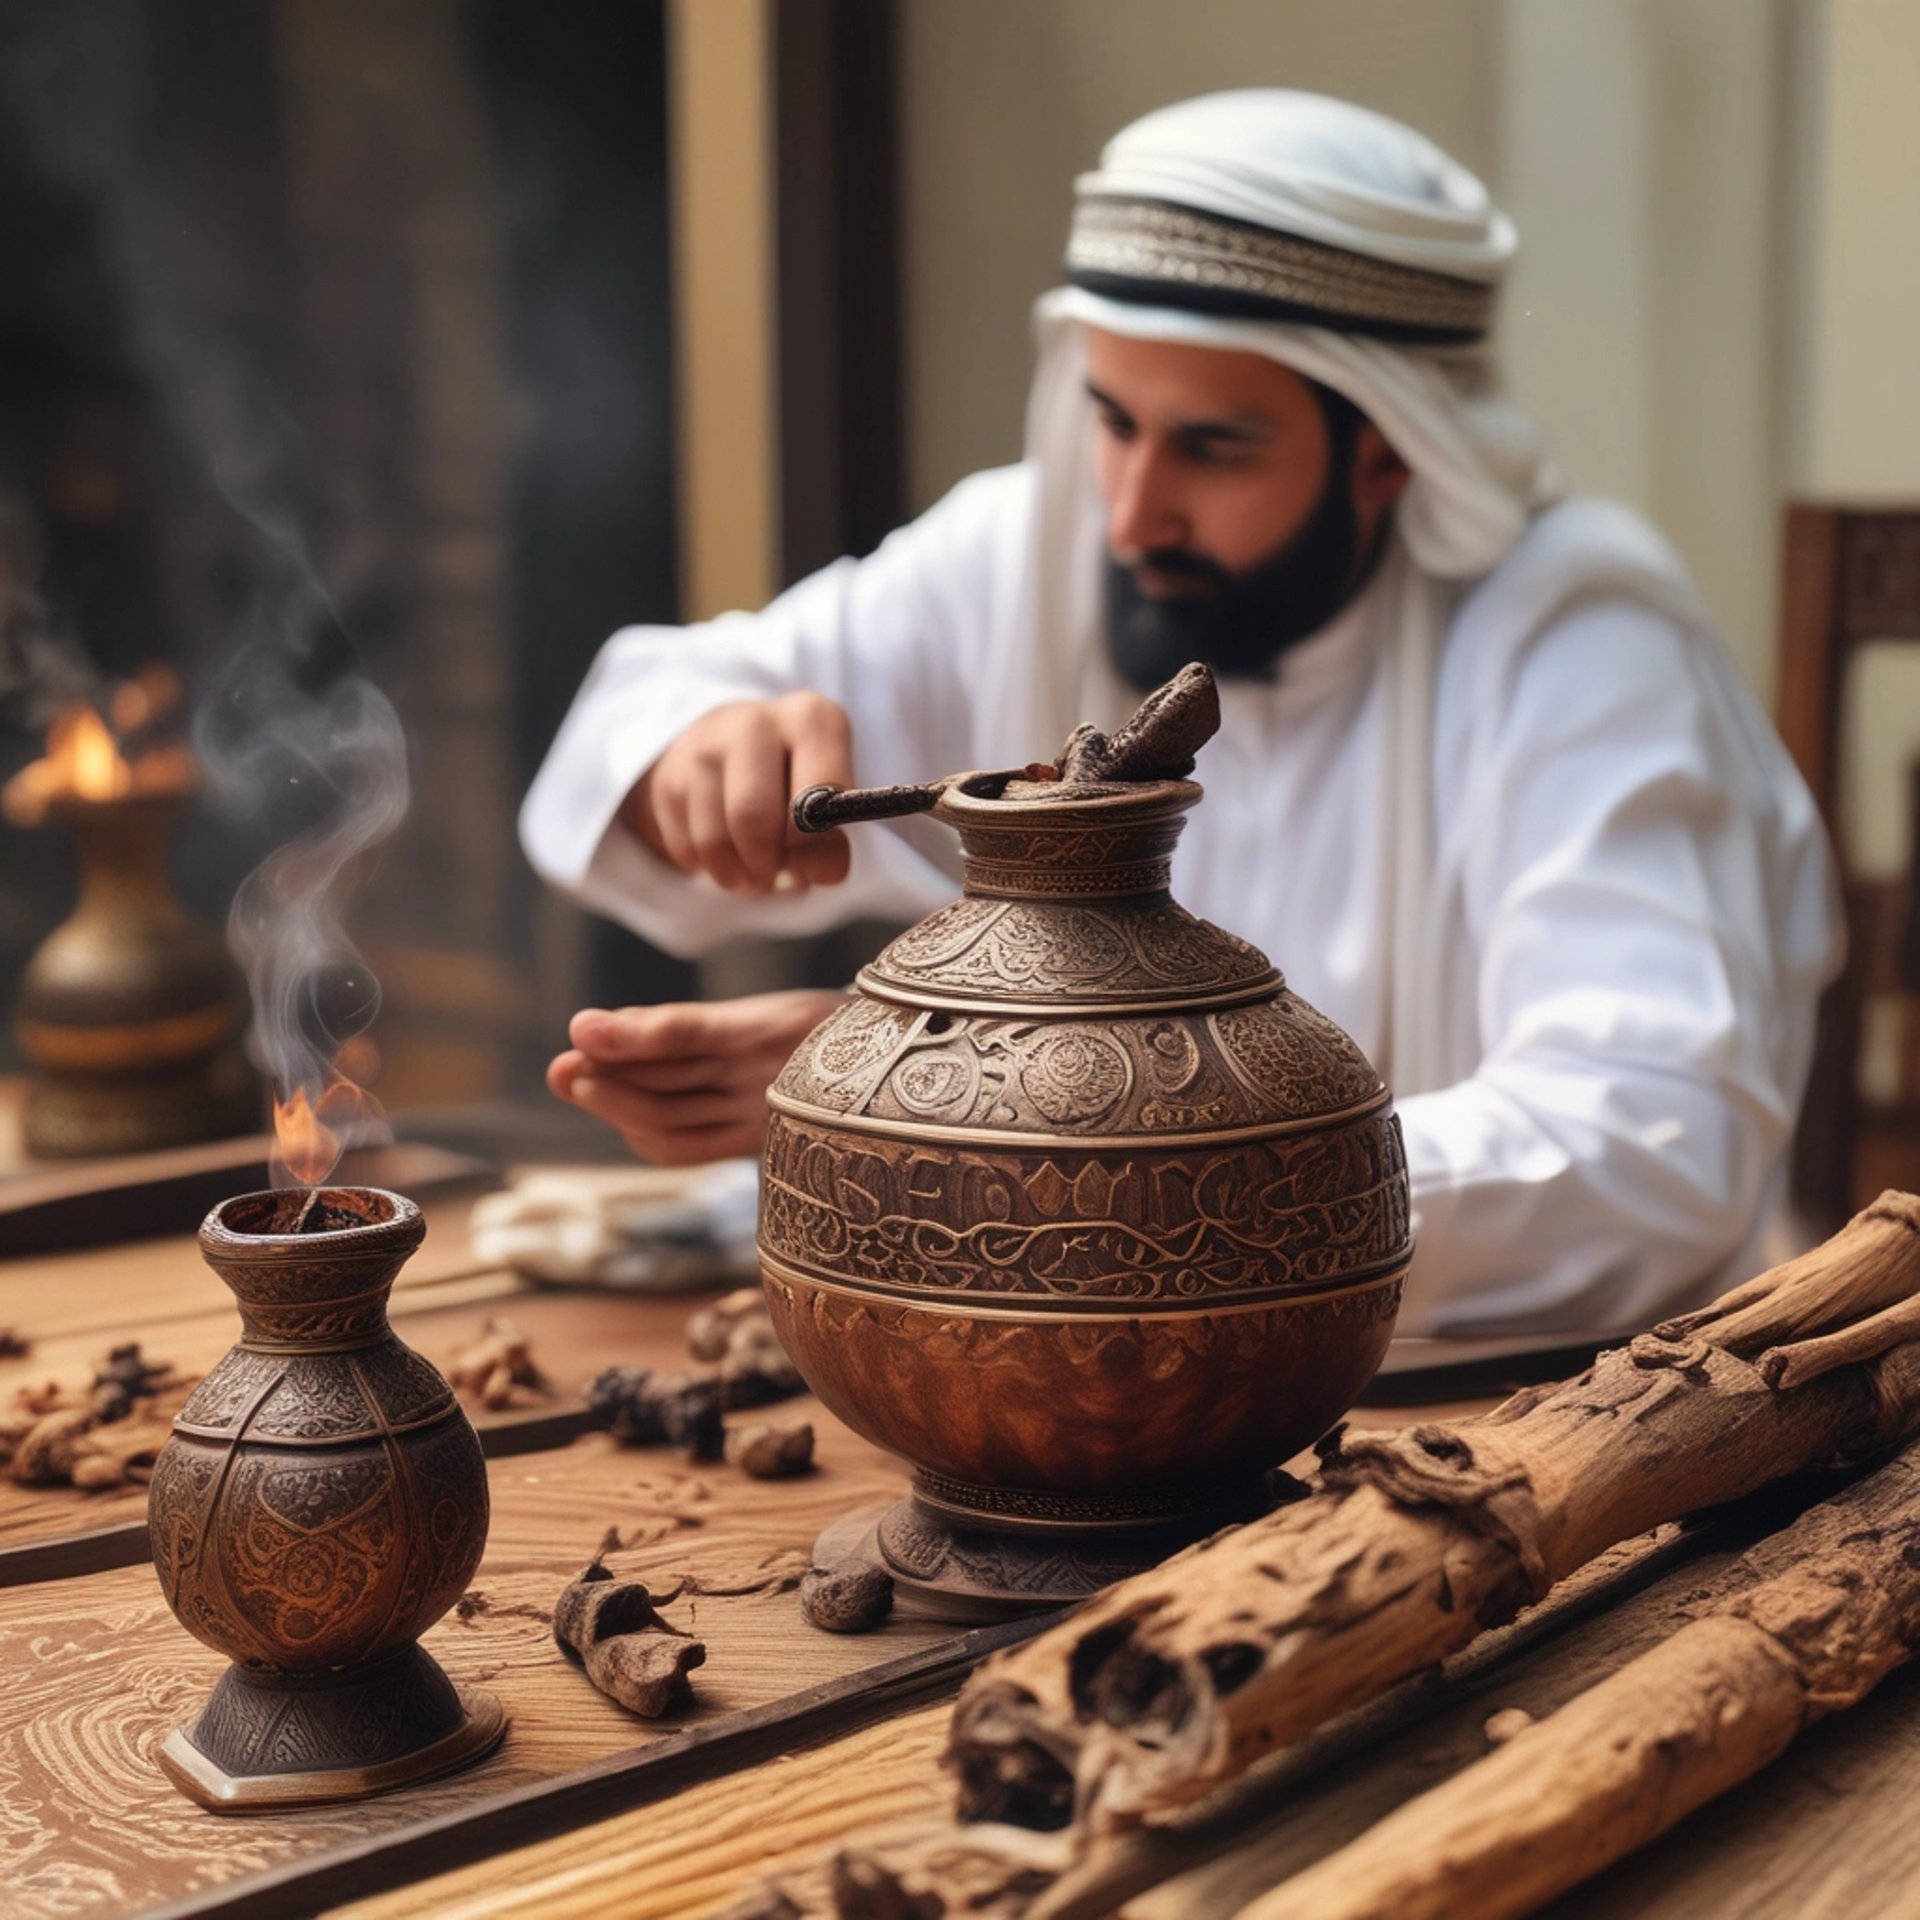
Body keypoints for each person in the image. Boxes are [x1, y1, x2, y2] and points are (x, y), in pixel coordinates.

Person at [521, 90, 1842, 1342]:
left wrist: (998, 1127)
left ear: (1389, 450)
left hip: (1541, 1427)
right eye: (1112, 421)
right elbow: (635, 721)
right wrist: (696, 759)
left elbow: (1651, 1150)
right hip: (1090, 1402)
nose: (1136, 511)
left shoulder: (1581, 634)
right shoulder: (1026, 550)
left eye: (1216, 447)